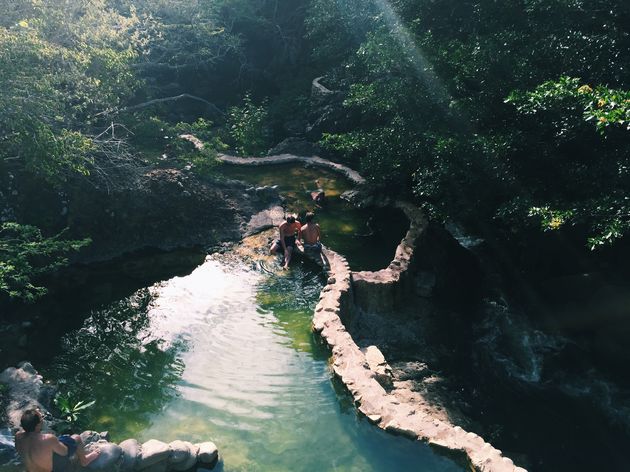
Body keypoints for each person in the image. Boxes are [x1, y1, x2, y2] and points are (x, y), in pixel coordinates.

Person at [15, 408, 100, 472]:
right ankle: (85, 460)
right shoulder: (48, 439)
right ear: (37, 425)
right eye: (41, 419)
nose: (42, 420)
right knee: (76, 438)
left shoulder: (18, 436)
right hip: (52, 469)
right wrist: (61, 440)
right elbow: (64, 452)